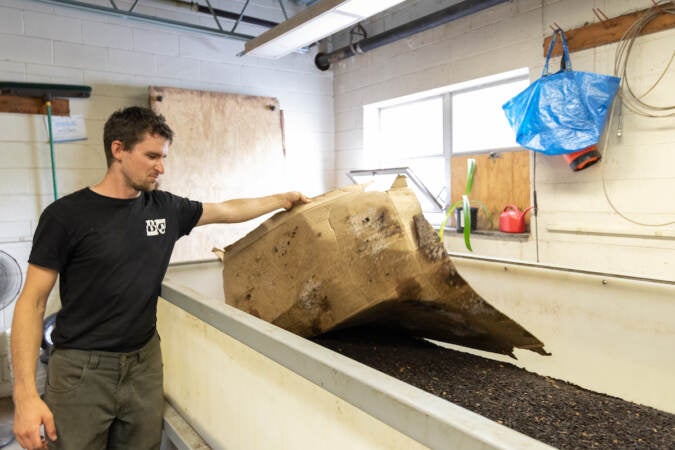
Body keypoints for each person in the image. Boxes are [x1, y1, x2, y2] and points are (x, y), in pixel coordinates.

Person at [10, 106, 310, 450]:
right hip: (81, 370)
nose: (161, 167)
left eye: (164, 156)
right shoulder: (66, 216)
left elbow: (226, 210)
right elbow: (31, 303)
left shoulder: (165, 209)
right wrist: (25, 396)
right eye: (151, 155)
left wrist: (280, 200)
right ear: (118, 149)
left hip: (144, 363)